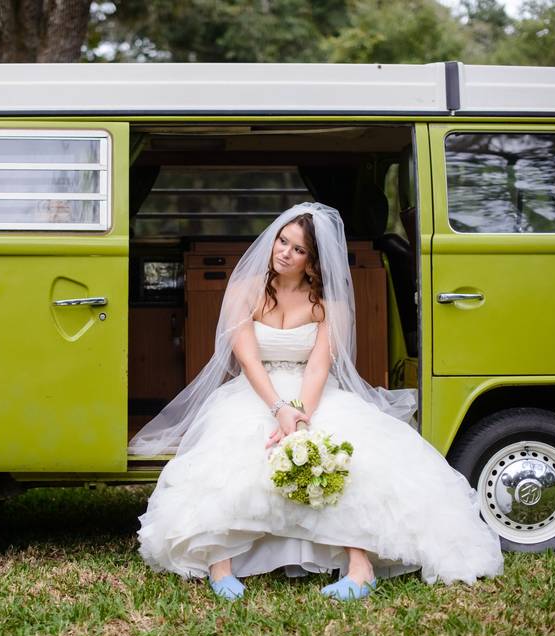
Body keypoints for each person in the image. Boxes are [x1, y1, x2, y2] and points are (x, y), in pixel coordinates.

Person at [128, 202, 504, 601]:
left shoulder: (329, 304)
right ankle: (222, 565)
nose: (284, 252)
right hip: (258, 390)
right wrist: (278, 409)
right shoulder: (246, 290)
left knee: (348, 458)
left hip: (311, 394)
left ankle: (360, 570)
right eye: (282, 241)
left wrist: (302, 417)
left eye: (298, 249)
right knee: (231, 452)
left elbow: (318, 367)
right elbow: (247, 357)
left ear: (312, 262)